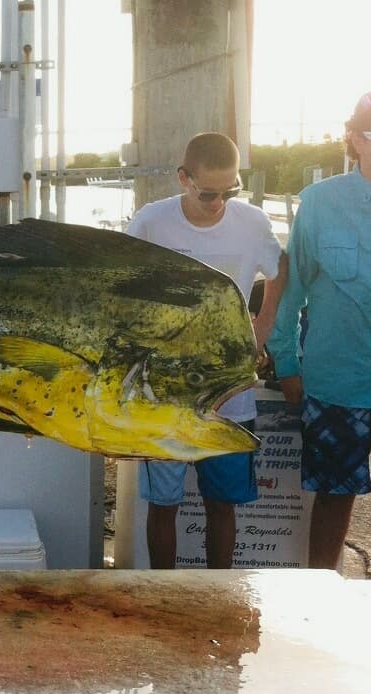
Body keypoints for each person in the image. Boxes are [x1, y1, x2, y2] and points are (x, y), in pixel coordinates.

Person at [126, 132, 286, 569]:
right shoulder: (150, 222)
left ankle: (219, 591)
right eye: (209, 192)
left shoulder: (252, 222)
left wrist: (263, 327)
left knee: (223, 503)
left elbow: (279, 269)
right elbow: (122, 288)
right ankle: (163, 589)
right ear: (184, 178)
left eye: (230, 191)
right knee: (164, 503)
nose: (219, 202)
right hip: (165, 391)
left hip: (230, 394)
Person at [266, 92, 371, 570]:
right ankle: (320, 600)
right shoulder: (320, 204)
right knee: (333, 498)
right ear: (353, 138)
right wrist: (286, 362)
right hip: (337, 382)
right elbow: (291, 289)